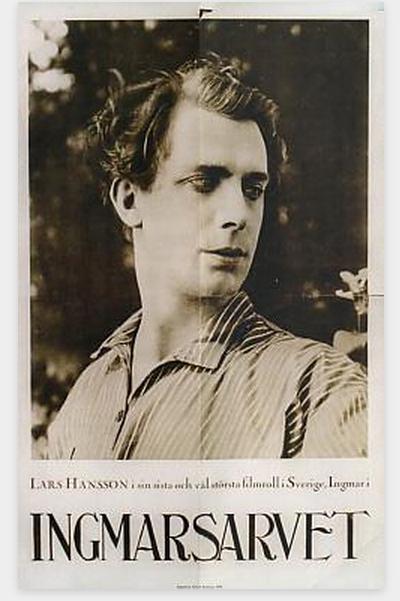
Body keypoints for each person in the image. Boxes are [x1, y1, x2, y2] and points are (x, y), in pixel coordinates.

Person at [47, 56, 367, 460]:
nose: (238, 214)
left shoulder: (320, 389)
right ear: (129, 200)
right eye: (204, 182)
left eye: (253, 189)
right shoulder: (88, 392)